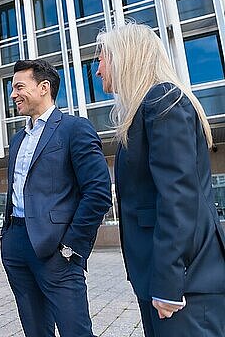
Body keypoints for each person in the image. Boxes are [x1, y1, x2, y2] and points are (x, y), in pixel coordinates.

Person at [96, 23, 225, 336]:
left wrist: (168, 284)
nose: (98, 69)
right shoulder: (144, 108)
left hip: (185, 284)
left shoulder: (163, 101)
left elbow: (178, 198)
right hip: (163, 280)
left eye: (102, 58)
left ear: (124, 58)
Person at [1, 59, 112, 337]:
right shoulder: (17, 139)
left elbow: (98, 192)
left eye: (19, 87)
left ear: (43, 87)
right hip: (17, 246)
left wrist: (72, 245)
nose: (13, 94)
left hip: (57, 250)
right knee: (36, 331)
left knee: (75, 331)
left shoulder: (75, 128)